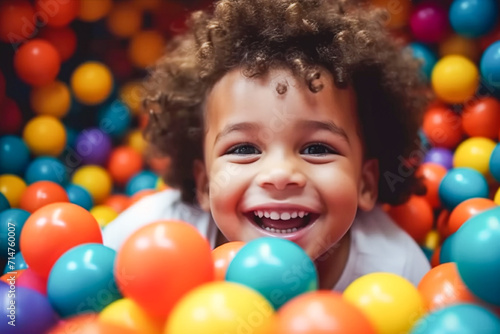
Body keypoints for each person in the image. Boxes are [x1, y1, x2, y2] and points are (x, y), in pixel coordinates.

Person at [103, 0, 431, 291]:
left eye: (317, 149)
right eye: (244, 149)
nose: (279, 174)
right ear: (204, 185)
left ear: (366, 182)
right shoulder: (150, 240)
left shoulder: (395, 275)